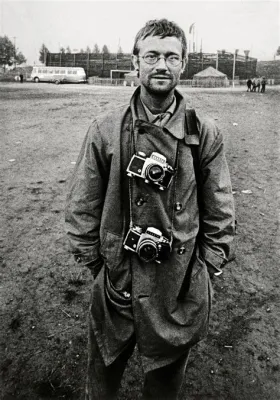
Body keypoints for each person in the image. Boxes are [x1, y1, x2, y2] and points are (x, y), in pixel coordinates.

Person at [65, 18, 235, 400]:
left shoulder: (204, 132)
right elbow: (81, 206)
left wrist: (203, 270)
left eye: (171, 57)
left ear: (184, 63)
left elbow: (221, 211)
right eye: (152, 55)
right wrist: (102, 266)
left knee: (164, 385)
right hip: (116, 284)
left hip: (177, 285)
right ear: (136, 62)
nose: (161, 65)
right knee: (102, 378)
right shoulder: (106, 128)